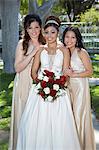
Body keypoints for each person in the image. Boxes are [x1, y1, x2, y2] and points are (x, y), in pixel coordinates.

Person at [16, 16, 81, 150]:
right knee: (34, 124)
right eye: (47, 32)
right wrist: (40, 84)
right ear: (43, 33)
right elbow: (34, 71)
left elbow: (65, 71)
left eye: (53, 32)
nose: (49, 35)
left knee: (59, 126)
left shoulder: (64, 50)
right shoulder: (40, 49)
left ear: (57, 33)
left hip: (59, 92)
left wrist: (58, 85)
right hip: (40, 92)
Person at [9, 14, 45, 150]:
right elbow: (17, 68)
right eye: (30, 28)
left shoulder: (46, 43)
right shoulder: (22, 44)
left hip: (40, 84)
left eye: (36, 27)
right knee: (23, 117)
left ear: (40, 28)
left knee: (38, 119)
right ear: (26, 29)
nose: (34, 31)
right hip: (24, 83)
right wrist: (32, 53)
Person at [62, 26, 96, 150]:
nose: (69, 40)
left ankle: (81, 146)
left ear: (77, 39)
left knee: (79, 116)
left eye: (72, 37)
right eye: (67, 37)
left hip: (80, 88)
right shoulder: (63, 52)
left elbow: (90, 72)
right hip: (68, 88)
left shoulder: (81, 52)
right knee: (69, 117)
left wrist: (74, 74)